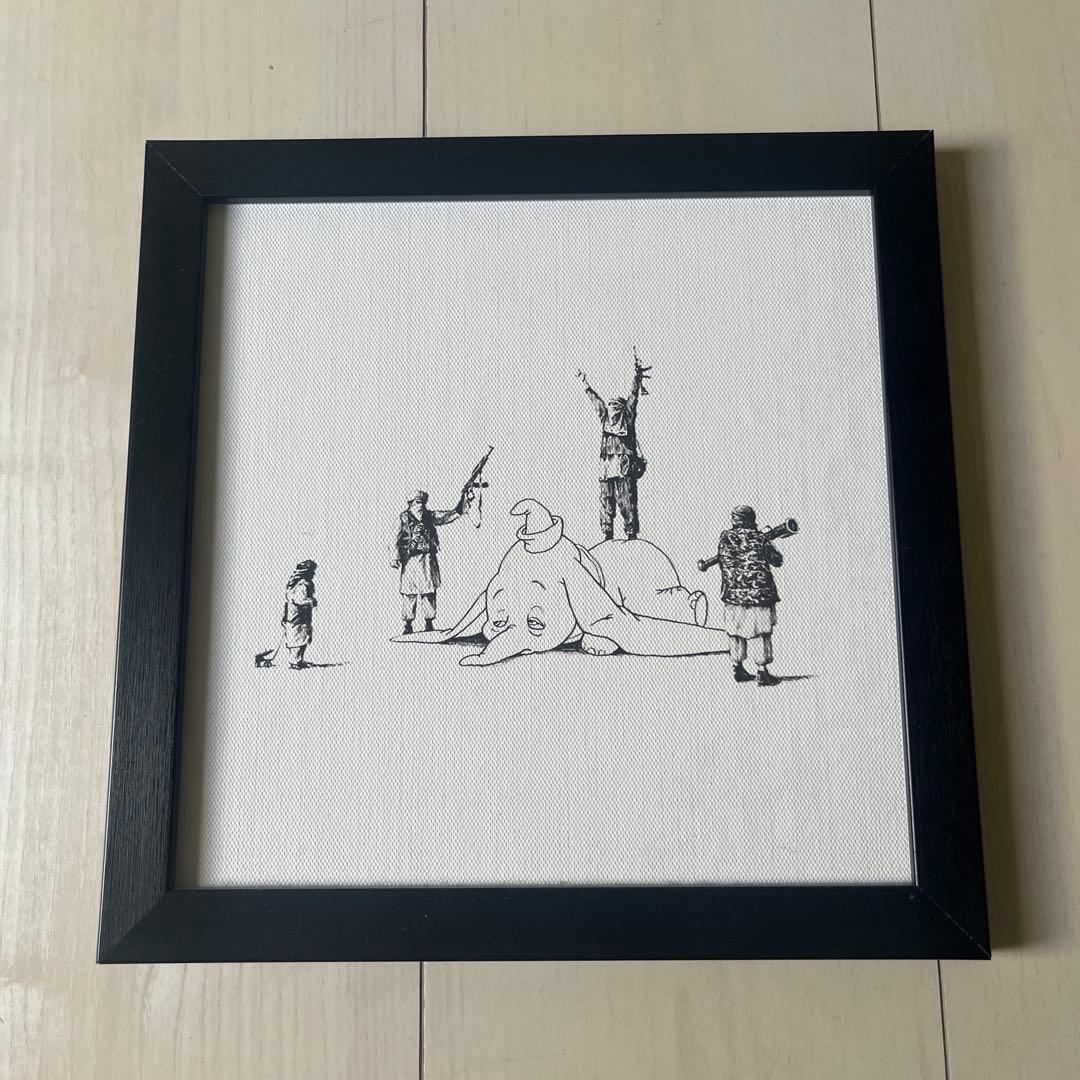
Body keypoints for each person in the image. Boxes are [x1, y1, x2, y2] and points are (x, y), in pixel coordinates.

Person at [577, 350, 651, 540]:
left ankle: (630, 533)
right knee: (606, 500)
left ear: (621, 408)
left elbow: (633, 396)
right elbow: (595, 401)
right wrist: (585, 383)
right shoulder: (605, 418)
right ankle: (607, 532)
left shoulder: (628, 418)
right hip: (607, 466)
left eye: (615, 407)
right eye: (610, 407)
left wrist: (637, 377)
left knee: (626, 500)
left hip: (624, 465)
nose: (612, 411)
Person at [716, 506, 783, 686]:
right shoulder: (760, 538)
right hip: (758, 595)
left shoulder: (725, 537)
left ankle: (738, 668)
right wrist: (767, 541)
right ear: (751, 520)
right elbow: (777, 560)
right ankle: (762, 672)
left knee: (735, 631)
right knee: (761, 632)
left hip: (733, 594)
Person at [392, 489, 470, 634]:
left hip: (428, 560)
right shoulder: (403, 518)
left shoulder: (430, 516)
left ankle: (429, 623)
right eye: (417, 502)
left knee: (429, 592)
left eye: (422, 502)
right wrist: (395, 556)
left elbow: (448, 516)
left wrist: (463, 502)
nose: (420, 505)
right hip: (410, 561)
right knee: (409, 593)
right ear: (411, 503)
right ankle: (408, 625)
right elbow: (394, 539)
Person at [282, 560, 318, 669]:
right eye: (311, 571)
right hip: (296, 617)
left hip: (301, 617)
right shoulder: (301, 585)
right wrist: (311, 601)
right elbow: (299, 600)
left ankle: (299, 660)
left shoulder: (304, 584)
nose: (313, 574)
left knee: (303, 638)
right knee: (296, 639)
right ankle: (294, 661)